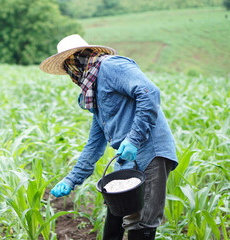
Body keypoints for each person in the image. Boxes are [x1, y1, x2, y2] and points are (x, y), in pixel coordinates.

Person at [39, 34, 178, 240]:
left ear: (78, 60)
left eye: (70, 67)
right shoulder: (93, 90)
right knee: (117, 211)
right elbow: (94, 144)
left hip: (150, 151)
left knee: (142, 220)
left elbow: (149, 93)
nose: (71, 74)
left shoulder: (111, 67)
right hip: (127, 158)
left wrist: (133, 139)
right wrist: (71, 179)